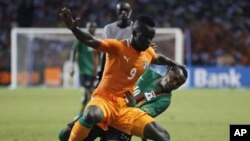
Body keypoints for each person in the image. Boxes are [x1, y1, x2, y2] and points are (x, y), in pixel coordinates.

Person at [60, 7, 184, 141]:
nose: (149, 41)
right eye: (145, 37)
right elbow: (91, 41)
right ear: (134, 32)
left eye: (151, 38)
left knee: (164, 137)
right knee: (89, 116)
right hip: (105, 100)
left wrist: (175, 64)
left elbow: (158, 58)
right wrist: (74, 29)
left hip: (125, 108)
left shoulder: (148, 52)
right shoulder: (118, 47)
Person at [97, 1, 133, 85]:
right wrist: (100, 71)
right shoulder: (109, 29)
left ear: (130, 12)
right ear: (117, 11)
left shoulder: (135, 28)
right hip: (113, 68)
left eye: (126, 10)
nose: (123, 12)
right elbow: (105, 51)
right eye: (121, 10)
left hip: (131, 68)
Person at [69, 21, 99, 115]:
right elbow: (73, 51)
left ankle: (82, 114)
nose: (92, 29)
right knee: (88, 93)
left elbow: (100, 56)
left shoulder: (97, 41)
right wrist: (71, 66)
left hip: (94, 72)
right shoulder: (80, 39)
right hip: (84, 72)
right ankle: (83, 114)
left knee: (90, 95)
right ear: (87, 28)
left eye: (93, 27)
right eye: (90, 27)